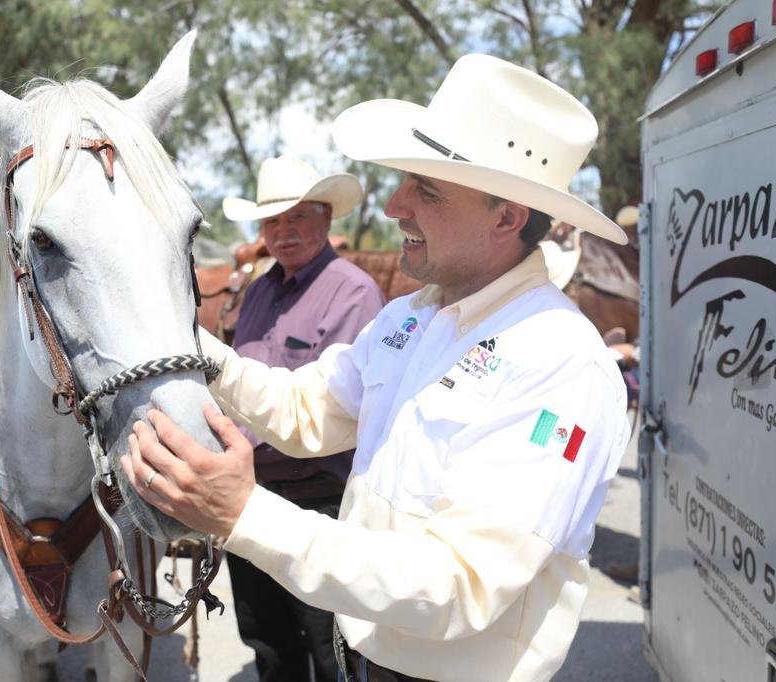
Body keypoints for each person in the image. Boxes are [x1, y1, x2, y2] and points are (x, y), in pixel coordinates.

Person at [122, 54, 631, 681]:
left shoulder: (559, 360)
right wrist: (189, 345)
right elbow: (308, 411)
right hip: (364, 654)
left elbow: (460, 583)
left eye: (427, 188)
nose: (394, 205)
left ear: (507, 217)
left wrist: (244, 513)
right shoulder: (414, 316)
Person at [218, 155, 386, 681]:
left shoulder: (353, 293)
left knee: (330, 645)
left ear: (325, 219)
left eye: (297, 217)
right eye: (272, 222)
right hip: (254, 495)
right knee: (268, 643)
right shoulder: (260, 291)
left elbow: (335, 410)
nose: (283, 232)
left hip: (321, 502)